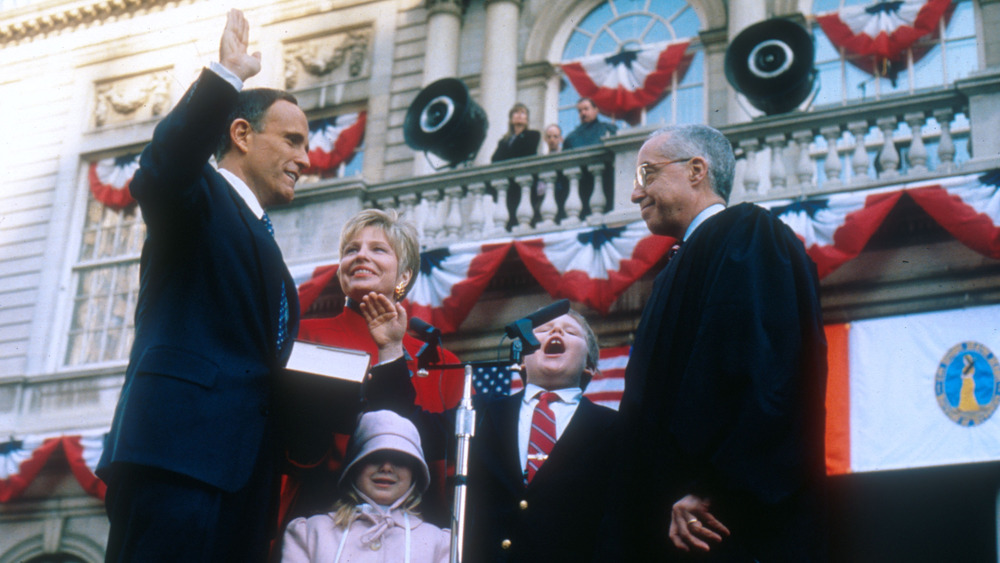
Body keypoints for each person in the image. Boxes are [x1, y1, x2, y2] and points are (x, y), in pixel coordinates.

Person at [96, 10, 308, 562]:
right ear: (240, 133)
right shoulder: (196, 198)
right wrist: (225, 78)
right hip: (178, 464)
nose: (305, 159)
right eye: (291, 140)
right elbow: (162, 166)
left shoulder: (268, 247)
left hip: (245, 484)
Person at [618, 124, 828, 561]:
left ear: (697, 170)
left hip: (722, 522)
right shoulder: (685, 259)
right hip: (678, 520)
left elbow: (764, 372)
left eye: (647, 175)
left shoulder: (748, 234)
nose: (636, 195)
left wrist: (709, 486)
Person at [363, 302, 619, 562]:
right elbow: (406, 429)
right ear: (520, 359)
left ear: (589, 365)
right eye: (543, 330)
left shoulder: (615, 428)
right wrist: (391, 347)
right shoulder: (483, 412)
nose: (557, 333)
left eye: (571, 332)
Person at [278, 209, 462, 530]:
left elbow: (449, 472)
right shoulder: (303, 336)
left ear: (404, 275)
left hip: (416, 524)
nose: (361, 255)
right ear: (340, 270)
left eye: (378, 249)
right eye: (351, 249)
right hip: (318, 518)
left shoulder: (444, 363)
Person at [281, 410, 450, 563]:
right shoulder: (311, 533)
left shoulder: (439, 543)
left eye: (399, 460)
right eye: (375, 457)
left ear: (415, 472)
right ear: (354, 467)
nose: (386, 468)